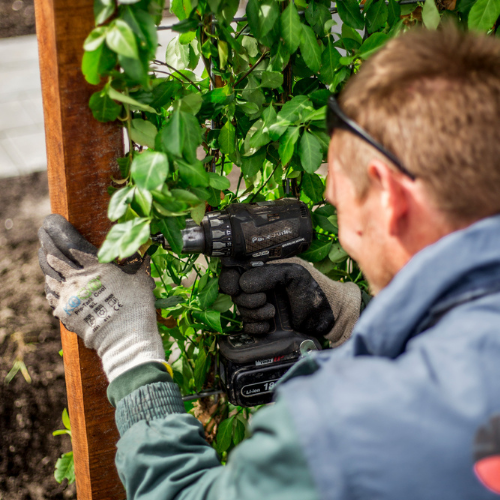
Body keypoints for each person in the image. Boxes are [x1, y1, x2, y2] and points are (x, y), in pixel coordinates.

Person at [38, 26, 500, 499]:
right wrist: (354, 320)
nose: (332, 205)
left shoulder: (349, 424)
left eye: (340, 200)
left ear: (389, 197)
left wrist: (129, 352)